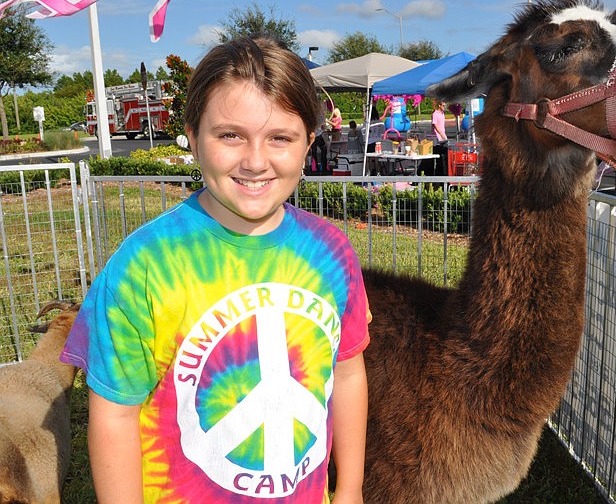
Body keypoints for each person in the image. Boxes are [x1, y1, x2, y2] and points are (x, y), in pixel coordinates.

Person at [60, 35, 370, 503]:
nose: (254, 161)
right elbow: (114, 417)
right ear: (192, 135)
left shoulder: (332, 251)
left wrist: (349, 491)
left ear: (309, 141)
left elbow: (346, 375)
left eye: (280, 138)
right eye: (230, 135)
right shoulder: (143, 265)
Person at [431, 100, 449, 176]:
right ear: (439, 105)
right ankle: (438, 172)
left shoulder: (442, 114)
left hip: (442, 136)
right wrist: (441, 134)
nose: (445, 107)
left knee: (444, 154)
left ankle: (443, 171)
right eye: (443, 106)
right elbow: (435, 125)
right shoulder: (435, 113)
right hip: (437, 136)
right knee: (438, 154)